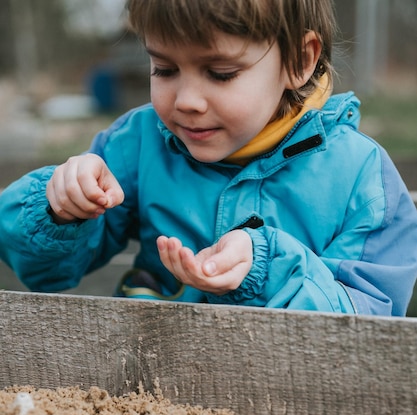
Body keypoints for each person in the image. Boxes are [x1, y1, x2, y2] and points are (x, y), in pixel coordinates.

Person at [0, 0, 416, 315]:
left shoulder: (361, 179)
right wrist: (60, 208)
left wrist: (269, 267)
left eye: (220, 74)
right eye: (164, 69)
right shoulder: (139, 143)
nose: (187, 101)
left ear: (299, 61)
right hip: (145, 386)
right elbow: (44, 272)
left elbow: (368, 321)